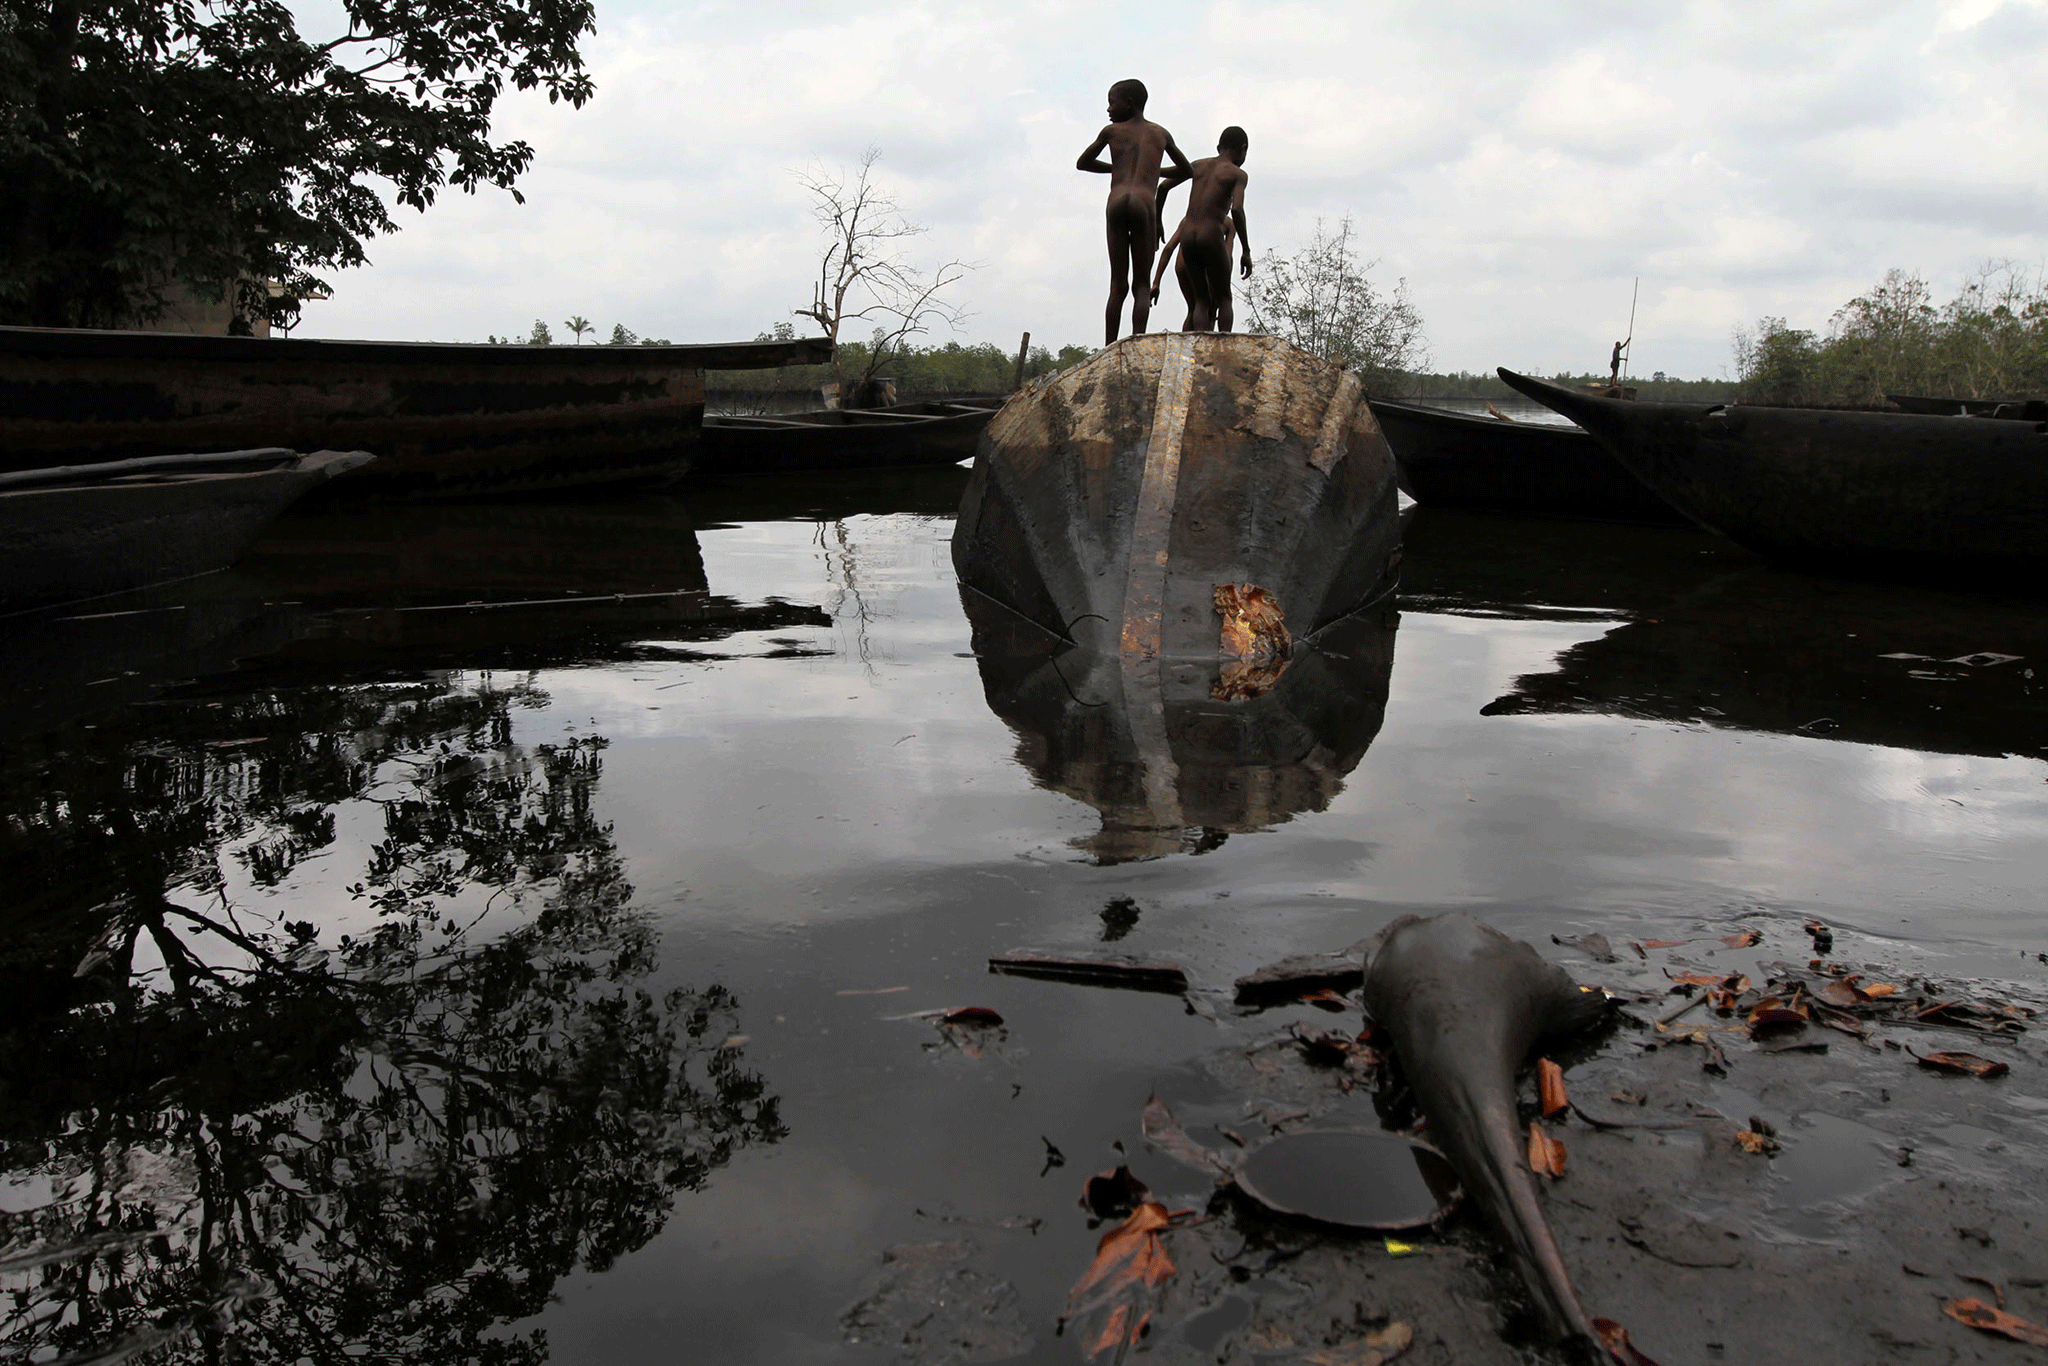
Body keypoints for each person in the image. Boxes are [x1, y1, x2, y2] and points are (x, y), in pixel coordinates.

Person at [1076, 79, 1193, 345]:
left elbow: (1082, 163)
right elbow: (1188, 171)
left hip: (1116, 201)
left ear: (1129, 103)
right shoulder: (1160, 134)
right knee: (1142, 284)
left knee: (1118, 285)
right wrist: (1155, 172)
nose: (1108, 109)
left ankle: (1109, 348)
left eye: (1111, 102)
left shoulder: (1111, 132)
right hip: (1144, 203)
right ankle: (1137, 344)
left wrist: (1117, 169)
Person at [1149, 126, 1251, 332]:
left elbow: (1163, 187)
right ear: (1243, 149)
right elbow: (1237, 210)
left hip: (1188, 236)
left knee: (1201, 301)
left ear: (1218, 147)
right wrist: (1246, 250)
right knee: (1224, 298)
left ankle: (1197, 350)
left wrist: (1157, 222)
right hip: (1211, 233)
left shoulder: (1197, 166)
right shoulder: (1238, 174)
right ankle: (1222, 351)